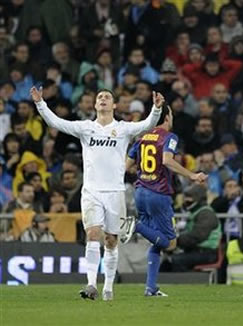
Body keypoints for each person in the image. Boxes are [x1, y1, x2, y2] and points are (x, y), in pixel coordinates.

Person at [30, 86, 163, 301]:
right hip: (91, 191)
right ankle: (91, 284)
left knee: (111, 240)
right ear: (95, 105)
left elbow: (146, 125)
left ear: (114, 105)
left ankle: (108, 288)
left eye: (107, 97)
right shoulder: (85, 128)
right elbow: (56, 123)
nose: (102, 99)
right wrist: (40, 104)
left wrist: (156, 110)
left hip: (115, 192)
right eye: (99, 96)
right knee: (92, 234)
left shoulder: (123, 129)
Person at [123, 105, 207, 297]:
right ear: (167, 118)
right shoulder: (169, 137)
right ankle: (135, 226)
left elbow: (126, 166)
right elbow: (168, 160)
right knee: (170, 243)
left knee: (157, 242)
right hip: (158, 195)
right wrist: (192, 176)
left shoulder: (142, 137)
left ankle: (151, 287)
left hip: (141, 192)